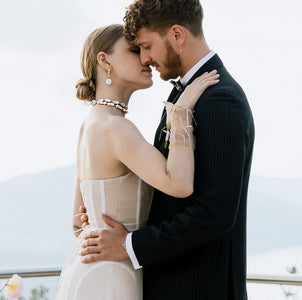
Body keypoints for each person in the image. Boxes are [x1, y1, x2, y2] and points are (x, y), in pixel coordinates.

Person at [79, 1, 255, 300]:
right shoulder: (183, 94)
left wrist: (129, 245)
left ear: (177, 34)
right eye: (137, 50)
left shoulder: (220, 100)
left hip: (197, 287)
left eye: (146, 46)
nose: (146, 58)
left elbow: (216, 213)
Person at [56, 23, 219, 300]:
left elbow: (76, 222)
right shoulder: (116, 128)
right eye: (134, 50)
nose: (146, 59)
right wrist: (180, 116)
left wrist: (99, 226)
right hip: (114, 275)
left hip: (88, 272)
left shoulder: (91, 124)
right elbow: (179, 184)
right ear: (104, 60)